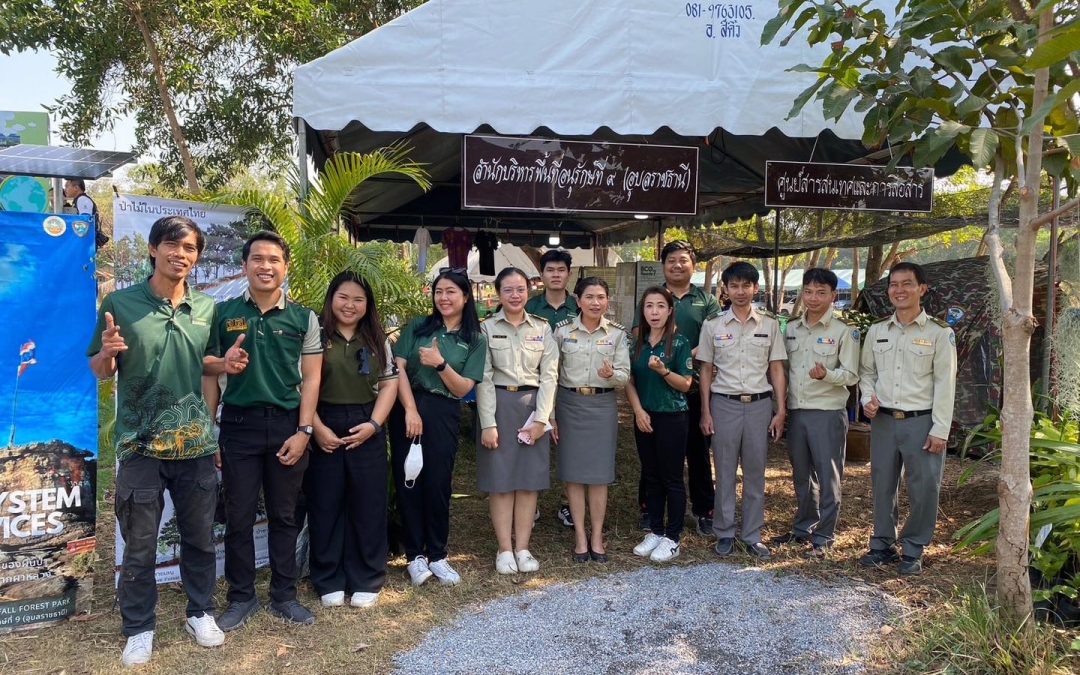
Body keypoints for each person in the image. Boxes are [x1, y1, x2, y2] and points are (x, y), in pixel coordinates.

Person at [87, 216, 225, 667]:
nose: (180, 254)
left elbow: (205, 365)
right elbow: (101, 370)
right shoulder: (121, 304)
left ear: (197, 257)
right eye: (172, 245)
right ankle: (139, 628)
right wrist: (107, 353)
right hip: (139, 445)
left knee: (200, 538)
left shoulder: (207, 308)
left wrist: (222, 370)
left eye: (189, 248)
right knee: (141, 543)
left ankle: (200, 612)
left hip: (195, 446)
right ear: (152, 249)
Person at [205, 231, 324, 630]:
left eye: (274, 259)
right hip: (238, 425)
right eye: (257, 258)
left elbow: (311, 378)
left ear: (285, 267)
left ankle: (284, 596)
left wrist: (305, 430)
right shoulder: (222, 314)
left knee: (284, 515)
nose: (265, 266)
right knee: (238, 516)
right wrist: (211, 427)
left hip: (288, 426)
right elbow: (209, 373)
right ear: (245, 265)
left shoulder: (303, 317)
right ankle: (241, 597)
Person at [305, 271, 398, 609]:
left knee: (368, 503)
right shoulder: (315, 334)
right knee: (326, 502)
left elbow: (390, 383)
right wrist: (316, 427)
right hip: (324, 420)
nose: (350, 305)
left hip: (366, 423)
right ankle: (328, 577)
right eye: (343, 297)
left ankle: (367, 577)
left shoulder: (377, 338)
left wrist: (374, 424)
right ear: (331, 299)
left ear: (368, 305)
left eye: (359, 299)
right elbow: (303, 385)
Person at [388, 269, 487, 586]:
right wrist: (410, 410)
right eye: (439, 291)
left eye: (451, 292)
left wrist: (440, 363)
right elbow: (397, 367)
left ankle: (438, 554)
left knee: (438, 483)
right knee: (409, 479)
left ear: (465, 297)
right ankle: (415, 555)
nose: (443, 298)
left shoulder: (474, 339)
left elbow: (462, 390)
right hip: (408, 407)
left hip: (444, 410)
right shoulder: (418, 325)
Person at [858, 262, 956, 576]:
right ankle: (882, 543)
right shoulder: (877, 330)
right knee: (882, 483)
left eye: (907, 284)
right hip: (884, 421)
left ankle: (913, 548)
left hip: (922, 422)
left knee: (924, 487)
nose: (899, 290)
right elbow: (867, 373)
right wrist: (866, 398)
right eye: (894, 284)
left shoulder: (940, 333)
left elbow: (946, 383)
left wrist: (940, 429)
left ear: (922, 289)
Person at [698, 261, 787, 559]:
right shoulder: (713, 326)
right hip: (724, 405)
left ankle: (752, 534)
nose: (740, 291)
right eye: (734, 286)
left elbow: (776, 369)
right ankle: (724, 532)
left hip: (760, 404)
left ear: (755, 288)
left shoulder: (770, 325)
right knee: (724, 471)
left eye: (745, 285)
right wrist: (706, 412)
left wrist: (780, 409)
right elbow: (707, 371)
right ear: (725, 289)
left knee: (755, 472)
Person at [633, 241, 721, 535]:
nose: (677, 265)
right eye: (671, 260)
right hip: (654, 390)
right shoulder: (654, 297)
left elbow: (715, 336)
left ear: (693, 265)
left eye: (683, 260)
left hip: (692, 388)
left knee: (698, 452)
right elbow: (639, 335)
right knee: (652, 454)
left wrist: (682, 355)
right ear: (663, 266)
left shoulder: (705, 300)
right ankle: (649, 509)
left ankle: (704, 510)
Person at [476, 267, 559, 574]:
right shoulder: (486, 328)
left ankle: (523, 548)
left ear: (529, 291)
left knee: (527, 483)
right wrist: (488, 423)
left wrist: (542, 419)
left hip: (532, 408)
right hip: (498, 406)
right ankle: (504, 550)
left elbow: (550, 375)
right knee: (500, 483)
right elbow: (483, 378)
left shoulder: (542, 328)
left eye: (521, 289)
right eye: (508, 290)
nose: (515, 295)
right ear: (498, 293)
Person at [774, 268, 859, 557]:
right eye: (808, 291)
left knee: (828, 475)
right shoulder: (793, 328)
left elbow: (851, 375)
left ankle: (824, 535)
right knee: (801, 474)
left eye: (821, 292)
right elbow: (783, 369)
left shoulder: (843, 331)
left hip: (827, 412)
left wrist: (828, 375)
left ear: (833, 296)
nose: (813, 298)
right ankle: (803, 528)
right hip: (797, 411)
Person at [552, 277, 630, 562]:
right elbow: (551, 375)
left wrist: (613, 376)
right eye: (589, 297)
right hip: (569, 404)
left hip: (602, 406)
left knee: (599, 476)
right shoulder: (561, 332)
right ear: (578, 300)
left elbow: (624, 375)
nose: (595, 303)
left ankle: (597, 535)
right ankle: (580, 538)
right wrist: (549, 415)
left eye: (601, 297)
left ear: (607, 301)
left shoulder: (617, 335)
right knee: (573, 475)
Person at [626, 286, 694, 563]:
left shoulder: (679, 342)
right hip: (645, 416)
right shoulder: (637, 343)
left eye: (660, 306)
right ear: (642, 311)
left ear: (669, 310)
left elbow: (687, 384)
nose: (654, 312)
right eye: (649, 306)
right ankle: (655, 529)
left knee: (672, 478)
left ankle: (673, 536)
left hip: (672, 417)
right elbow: (629, 381)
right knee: (651, 475)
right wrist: (638, 411)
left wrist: (664, 371)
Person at [524, 249, 578, 529]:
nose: (556, 275)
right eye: (550, 270)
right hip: (535, 387)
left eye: (561, 270)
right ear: (541, 275)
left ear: (569, 273)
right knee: (533, 445)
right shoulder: (529, 307)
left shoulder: (581, 306)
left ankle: (569, 504)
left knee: (570, 448)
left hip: (570, 387)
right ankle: (529, 506)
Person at [63, 178, 108, 247]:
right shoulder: (78, 200)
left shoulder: (83, 200)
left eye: (67, 186)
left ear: (76, 188)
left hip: (85, 242)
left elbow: (84, 221)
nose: (65, 189)